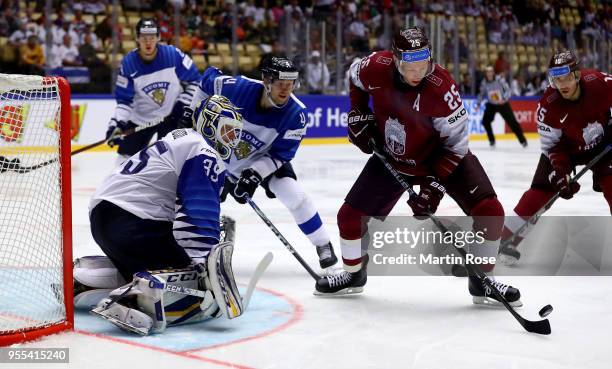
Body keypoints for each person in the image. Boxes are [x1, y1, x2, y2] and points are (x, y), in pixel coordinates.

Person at [315, 27, 521, 307]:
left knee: (490, 211)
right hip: (393, 156)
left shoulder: (442, 87)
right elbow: (355, 78)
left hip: (438, 157)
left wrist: (434, 186)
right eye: (409, 65)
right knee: (349, 217)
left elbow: (456, 146)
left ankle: (482, 282)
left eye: (423, 65)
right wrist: (357, 112)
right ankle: (353, 275)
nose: (417, 73)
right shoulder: (376, 66)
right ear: (396, 59)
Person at [74, 95, 247, 335]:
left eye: (236, 133)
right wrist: (201, 263)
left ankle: (84, 281)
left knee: (151, 265)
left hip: (106, 217)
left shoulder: (182, 140)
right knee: (188, 282)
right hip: (132, 223)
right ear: (209, 125)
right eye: (228, 131)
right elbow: (198, 208)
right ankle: (134, 301)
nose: (233, 139)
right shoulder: (203, 150)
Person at [189, 57, 339, 270]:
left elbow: (280, 155)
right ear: (266, 81)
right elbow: (208, 78)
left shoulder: (297, 115)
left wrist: (254, 175)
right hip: (222, 156)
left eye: (291, 83)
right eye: (280, 83)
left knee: (296, 197)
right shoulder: (238, 88)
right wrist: (193, 112)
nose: (286, 89)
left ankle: (323, 244)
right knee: (202, 201)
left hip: (264, 157)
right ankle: (195, 250)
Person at [499, 50, 612, 265]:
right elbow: (553, 147)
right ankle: (504, 239)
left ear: (577, 75)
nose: (562, 84)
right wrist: (559, 172)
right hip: (565, 150)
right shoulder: (548, 106)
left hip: (604, 144)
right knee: (540, 193)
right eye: (556, 79)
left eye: (566, 77)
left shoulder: (600, 82)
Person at [106, 18, 201, 164]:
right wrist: (117, 124)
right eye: (144, 37)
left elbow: (195, 82)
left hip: (171, 117)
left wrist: (182, 106)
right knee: (123, 161)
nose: (148, 42)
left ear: (158, 37)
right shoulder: (128, 64)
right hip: (141, 119)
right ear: (137, 38)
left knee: (171, 162)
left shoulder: (173, 55)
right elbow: (124, 101)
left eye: (151, 37)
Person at [478, 66, 527, 148]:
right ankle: (492, 140)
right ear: (485, 73)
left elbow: (508, 90)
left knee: (512, 122)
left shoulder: (500, 79)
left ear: (493, 72)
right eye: (487, 72)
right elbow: (481, 93)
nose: (489, 74)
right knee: (485, 121)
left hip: (502, 103)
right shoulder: (484, 82)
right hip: (492, 104)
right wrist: (478, 102)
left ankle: (523, 141)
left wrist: (504, 99)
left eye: (491, 72)